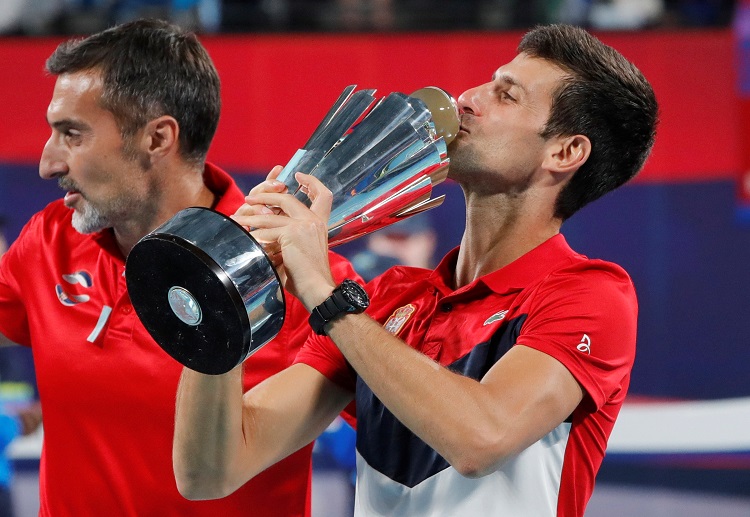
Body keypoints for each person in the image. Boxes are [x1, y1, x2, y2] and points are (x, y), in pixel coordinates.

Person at [173, 23, 658, 516]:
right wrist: (225, 291)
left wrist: (325, 291)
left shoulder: (589, 294)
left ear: (565, 152)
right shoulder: (389, 301)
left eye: (506, 95)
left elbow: (482, 438)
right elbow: (209, 470)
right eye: (486, 83)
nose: (466, 98)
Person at [0, 18, 359, 516]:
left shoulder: (312, 283)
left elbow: (424, 440)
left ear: (157, 138)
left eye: (72, 134)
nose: (47, 163)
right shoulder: (50, 239)